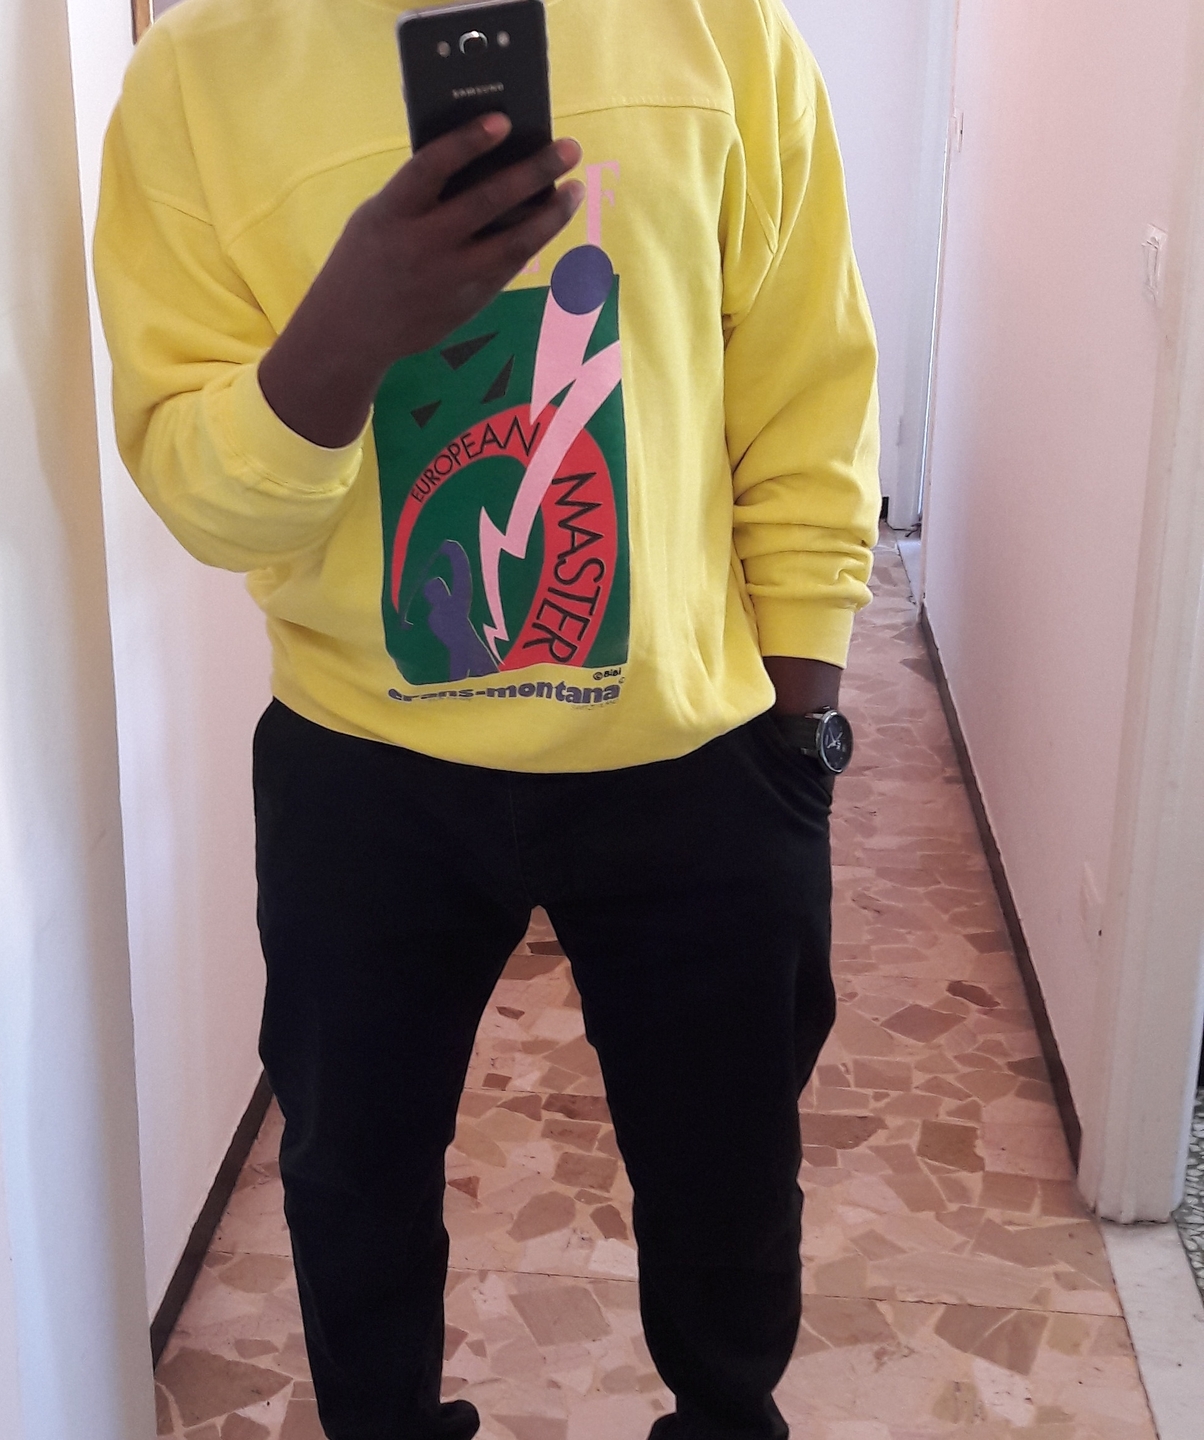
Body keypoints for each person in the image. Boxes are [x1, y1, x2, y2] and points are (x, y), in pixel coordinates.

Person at [94, 1, 880, 1436]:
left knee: (729, 1180)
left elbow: (804, 385)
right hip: (366, 763)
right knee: (352, 1188)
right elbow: (199, 496)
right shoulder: (195, 77)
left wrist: (800, 715)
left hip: (697, 752)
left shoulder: (720, 28)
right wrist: (341, 340)